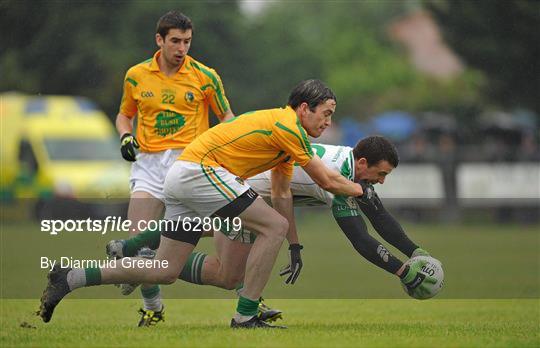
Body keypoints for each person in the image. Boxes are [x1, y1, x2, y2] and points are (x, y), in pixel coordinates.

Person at [39, 79, 366, 329]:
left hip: (185, 176)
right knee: (273, 227)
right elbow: (326, 180)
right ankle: (245, 316)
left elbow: (281, 191)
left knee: (164, 271)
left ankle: (70, 277)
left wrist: (295, 246)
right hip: (201, 172)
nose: (327, 122)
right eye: (326, 114)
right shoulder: (287, 126)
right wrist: (361, 190)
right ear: (304, 108)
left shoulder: (285, 137)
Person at [108, 136, 436, 321]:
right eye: (381, 174)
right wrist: (402, 271)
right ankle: (148, 257)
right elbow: (361, 239)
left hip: (240, 186)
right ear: (363, 164)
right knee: (226, 274)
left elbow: (380, 218)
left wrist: (417, 253)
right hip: (238, 188)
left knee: (204, 230)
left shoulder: (351, 166)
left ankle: (136, 248)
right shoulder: (335, 177)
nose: (380, 182)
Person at [115, 10, 234, 326]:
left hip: (190, 164)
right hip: (150, 167)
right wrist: (126, 135)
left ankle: (252, 300)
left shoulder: (206, 76)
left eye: (187, 41)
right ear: (160, 40)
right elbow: (124, 115)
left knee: (227, 229)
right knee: (137, 240)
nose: (182, 48)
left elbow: (228, 119)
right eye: (176, 41)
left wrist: (224, 150)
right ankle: (153, 309)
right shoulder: (136, 75)